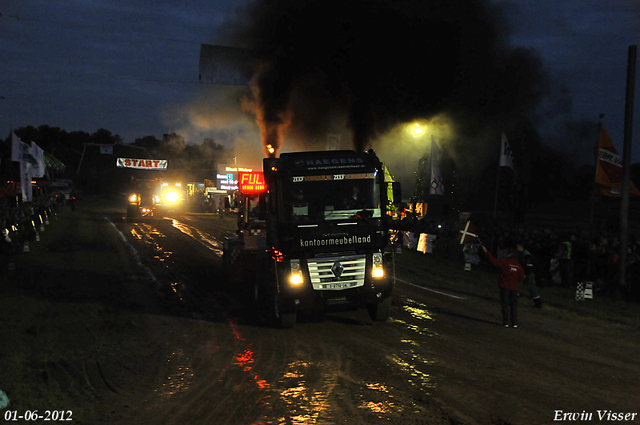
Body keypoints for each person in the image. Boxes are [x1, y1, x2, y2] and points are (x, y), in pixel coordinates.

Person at [480, 241, 525, 328]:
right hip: (514, 288)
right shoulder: (519, 266)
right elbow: (522, 278)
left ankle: (505, 322)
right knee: (514, 305)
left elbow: (493, 261)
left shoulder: (505, 263)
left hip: (505, 286)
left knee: (505, 304)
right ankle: (514, 322)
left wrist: (486, 251)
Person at [516, 242, 542, 308]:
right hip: (524, 273)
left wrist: (524, 274)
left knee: (531, 288)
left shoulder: (527, 255)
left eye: (517, 247)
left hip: (528, 274)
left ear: (521, 247)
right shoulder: (522, 254)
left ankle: (538, 303)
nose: (516, 248)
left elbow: (529, 267)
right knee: (517, 285)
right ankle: (513, 299)